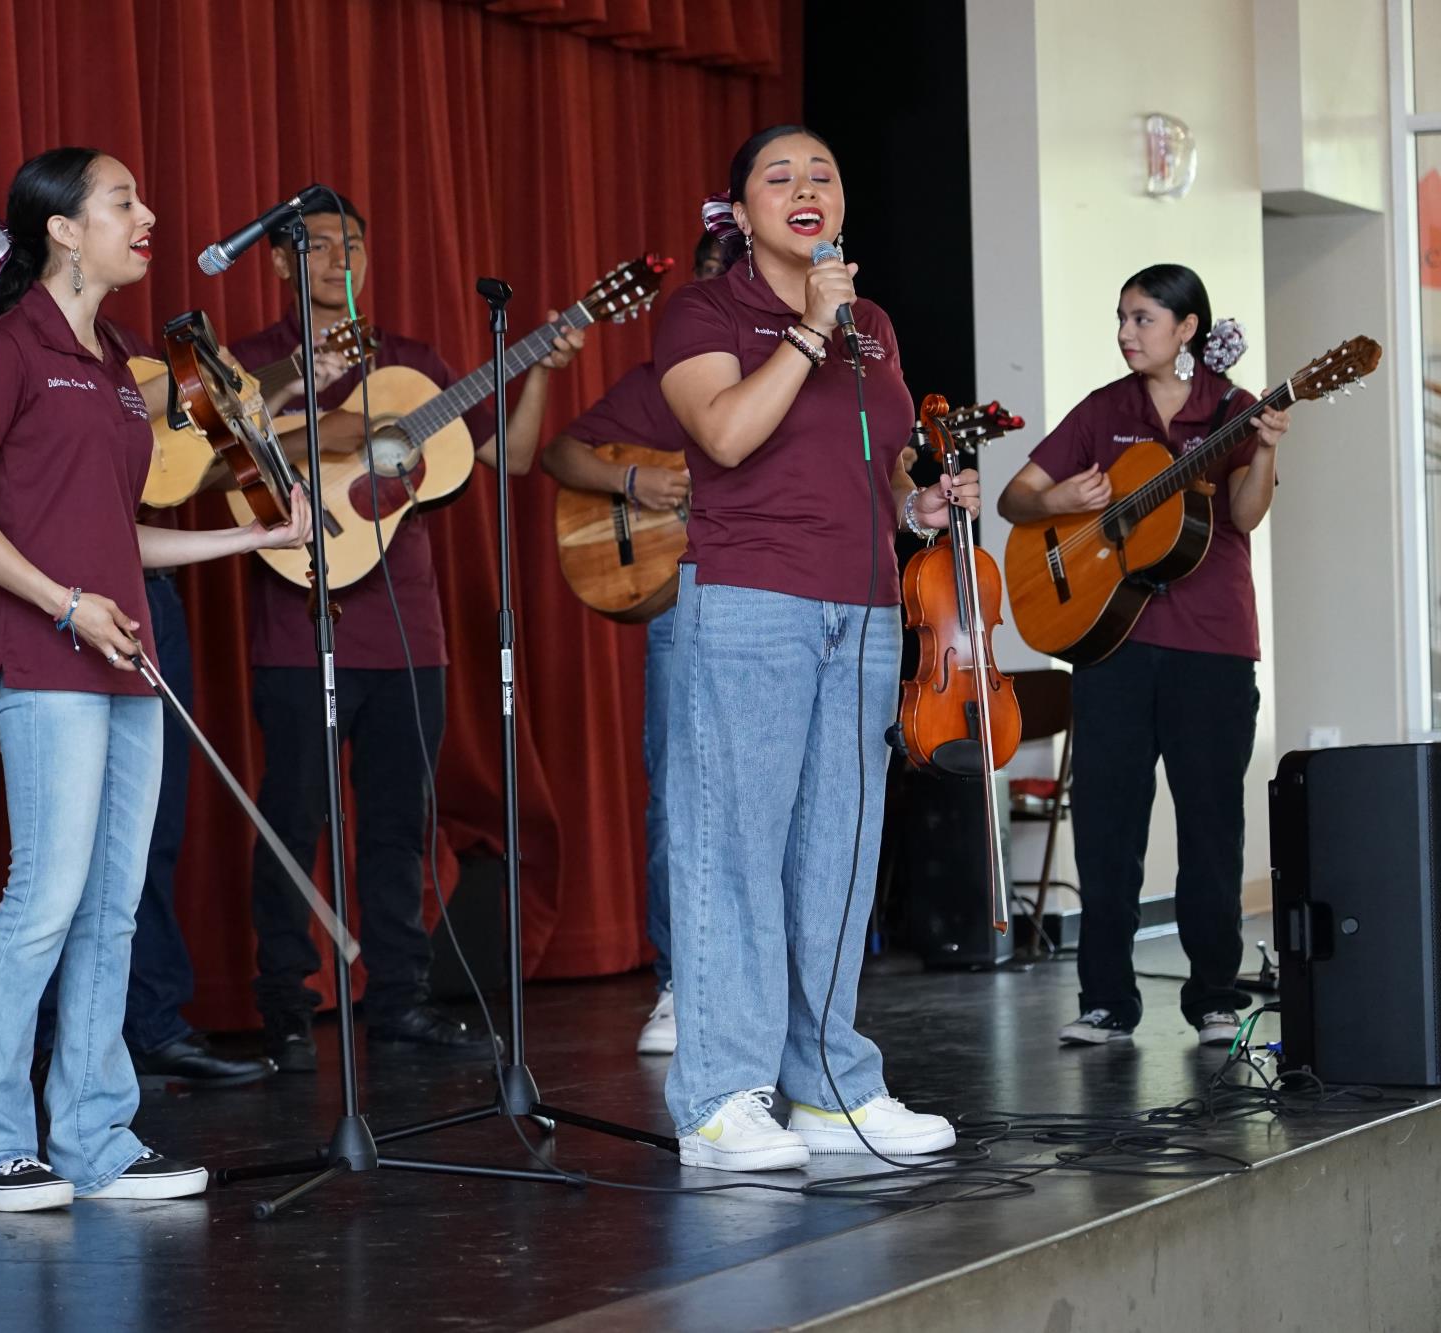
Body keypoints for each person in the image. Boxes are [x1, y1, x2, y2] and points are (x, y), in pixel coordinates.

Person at [0, 147, 308, 1212]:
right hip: (46, 651)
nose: (146, 214)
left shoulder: (117, 361)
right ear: (59, 227)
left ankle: (95, 1133)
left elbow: (117, 536)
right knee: (45, 896)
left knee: (113, 908)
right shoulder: (8, 348)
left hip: (124, 651)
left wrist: (256, 535)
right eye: (120, 201)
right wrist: (60, 603)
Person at [654, 125, 965, 1173]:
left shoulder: (870, 322)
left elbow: (870, 478)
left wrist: (917, 506)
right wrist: (803, 333)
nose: (805, 189)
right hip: (748, 603)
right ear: (737, 213)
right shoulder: (700, 312)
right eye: (777, 177)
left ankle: (831, 1088)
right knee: (732, 851)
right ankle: (717, 1098)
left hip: (863, 607)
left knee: (837, 853)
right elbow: (727, 436)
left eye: (821, 173)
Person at [226, 192, 583, 1072]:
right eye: (315, 247)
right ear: (278, 262)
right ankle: (284, 1002)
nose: (337, 259)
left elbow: (515, 456)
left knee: (401, 823)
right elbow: (227, 444)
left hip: (410, 624)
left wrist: (539, 364)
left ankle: (400, 998)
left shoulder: (414, 365)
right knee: (293, 815)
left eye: (352, 243)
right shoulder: (255, 364)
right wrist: (351, 425)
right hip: (300, 617)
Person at [995, 264, 1286, 1049]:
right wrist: (1060, 502)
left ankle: (1216, 996)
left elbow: (1247, 516)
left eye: (1143, 318)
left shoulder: (1232, 409)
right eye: (1121, 318)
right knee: (1106, 823)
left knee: (1211, 824)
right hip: (1112, 646)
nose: (1126, 333)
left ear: (1187, 327)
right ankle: (1106, 1001)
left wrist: (1259, 456)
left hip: (1211, 645)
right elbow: (1016, 498)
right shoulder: (1103, 410)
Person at [539, 233, 728, 1057]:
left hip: (781, 600)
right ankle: (680, 982)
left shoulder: (806, 372)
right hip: (683, 597)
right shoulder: (663, 380)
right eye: (715, 282)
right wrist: (634, 482)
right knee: (678, 790)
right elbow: (558, 451)